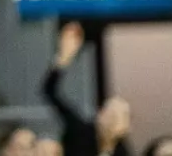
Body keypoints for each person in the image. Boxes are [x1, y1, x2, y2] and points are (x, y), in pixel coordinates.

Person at [42, 24, 131, 156]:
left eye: (119, 117)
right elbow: (50, 91)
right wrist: (62, 59)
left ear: (126, 126)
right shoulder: (80, 131)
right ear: (99, 114)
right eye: (110, 114)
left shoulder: (122, 150)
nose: (112, 121)